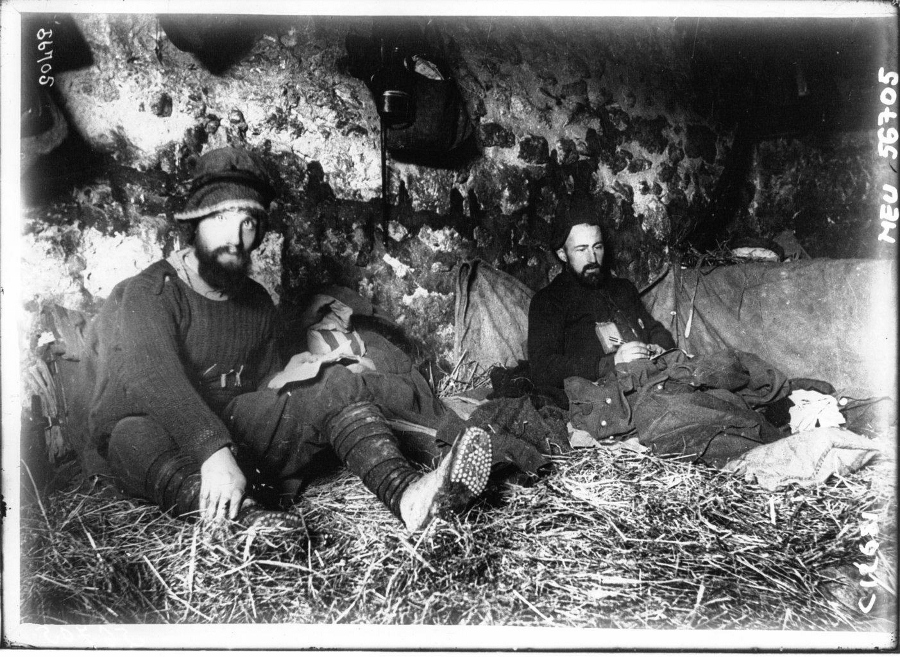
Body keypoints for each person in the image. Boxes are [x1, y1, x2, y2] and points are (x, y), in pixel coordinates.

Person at [83, 146, 492, 532]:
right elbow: (153, 377)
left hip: (230, 423)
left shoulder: (257, 302)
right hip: (158, 426)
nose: (236, 237)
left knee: (337, 387)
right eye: (222, 217)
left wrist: (297, 383)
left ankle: (409, 496)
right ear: (194, 222)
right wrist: (213, 452)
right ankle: (245, 524)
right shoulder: (150, 291)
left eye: (248, 222)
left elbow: (261, 386)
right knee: (131, 438)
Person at [527, 199, 676, 391]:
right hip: (602, 394)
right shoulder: (548, 301)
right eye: (581, 250)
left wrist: (659, 348)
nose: (592, 259)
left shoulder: (623, 289)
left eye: (597, 247)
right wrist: (611, 363)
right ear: (563, 255)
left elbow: (654, 329)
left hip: (651, 379)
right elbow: (543, 367)